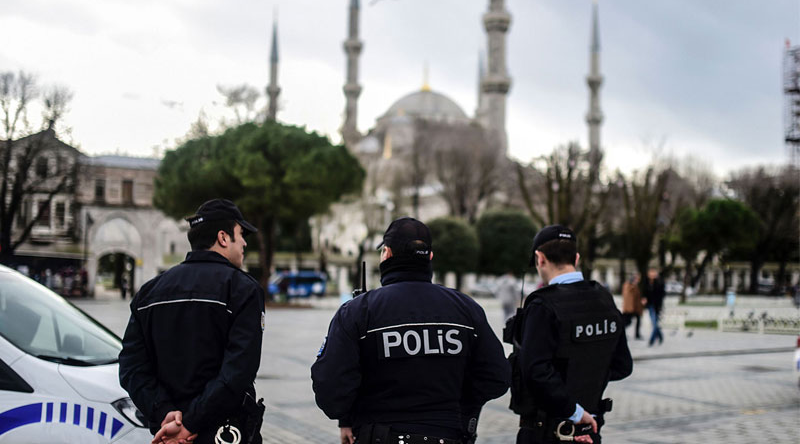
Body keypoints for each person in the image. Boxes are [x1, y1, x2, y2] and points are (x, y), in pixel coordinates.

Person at [311, 217, 510, 444]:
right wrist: (458, 404)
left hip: (378, 434)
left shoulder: (358, 311)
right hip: (447, 434)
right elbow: (497, 377)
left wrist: (358, 409)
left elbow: (330, 392)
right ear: (430, 257)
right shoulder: (466, 309)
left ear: (386, 254)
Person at [119, 199, 266, 444]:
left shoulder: (149, 292)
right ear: (223, 237)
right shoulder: (242, 289)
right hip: (224, 433)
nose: (245, 243)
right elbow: (238, 370)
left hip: (168, 433)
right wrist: (190, 423)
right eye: (241, 234)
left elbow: (131, 368)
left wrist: (164, 413)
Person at [506, 225, 632, 444]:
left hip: (547, 430)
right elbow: (622, 365)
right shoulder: (604, 298)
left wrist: (573, 411)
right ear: (576, 257)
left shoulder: (542, 305)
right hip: (590, 429)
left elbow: (535, 371)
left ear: (540, 258)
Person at [642, 268, 665, 346]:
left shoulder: (659, 282)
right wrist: (644, 298)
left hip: (657, 306)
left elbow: (661, 295)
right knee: (654, 323)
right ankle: (660, 336)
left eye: (653, 273)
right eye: (650, 273)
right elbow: (644, 292)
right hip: (650, 305)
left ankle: (651, 340)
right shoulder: (646, 282)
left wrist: (660, 305)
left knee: (654, 323)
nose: (651, 274)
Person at [621, 274, 643, 340]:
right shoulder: (628, 285)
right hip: (630, 308)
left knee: (638, 321)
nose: (638, 281)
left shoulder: (635, 286)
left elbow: (637, 297)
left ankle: (637, 334)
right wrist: (630, 308)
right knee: (627, 322)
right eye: (637, 279)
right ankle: (621, 333)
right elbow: (628, 298)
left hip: (636, 308)